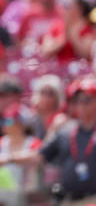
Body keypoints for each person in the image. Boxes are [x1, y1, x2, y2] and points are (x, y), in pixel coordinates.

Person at [10, 76, 96, 205]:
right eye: (77, 100)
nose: (81, 105)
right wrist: (7, 158)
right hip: (69, 200)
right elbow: (39, 155)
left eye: (86, 100)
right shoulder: (66, 130)